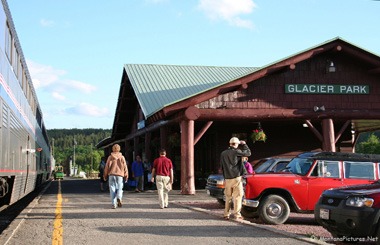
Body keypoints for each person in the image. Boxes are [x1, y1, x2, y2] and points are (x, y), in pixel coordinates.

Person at [220, 137, 251, 220]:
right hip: (236, 176)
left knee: (228, 197)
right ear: (236, 144)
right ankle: (237, 215)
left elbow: (222, 166)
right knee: (238, 196)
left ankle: (226, 214)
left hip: (227, 177)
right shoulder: (236, 152)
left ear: (230, 143)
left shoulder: (223, 153)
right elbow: (248, 153)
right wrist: (244, 144)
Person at [103, 144, 129, 209]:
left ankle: (114, 204)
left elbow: (106, 167)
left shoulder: (110, 157)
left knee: (112, 189)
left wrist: (105, 175)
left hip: (111, 175)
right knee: (120, 188)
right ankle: (119, 197)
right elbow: (125, 167)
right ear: (119, 149)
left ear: (112, 149)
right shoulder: (122, 157)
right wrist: (126, 175)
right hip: (120, 175)